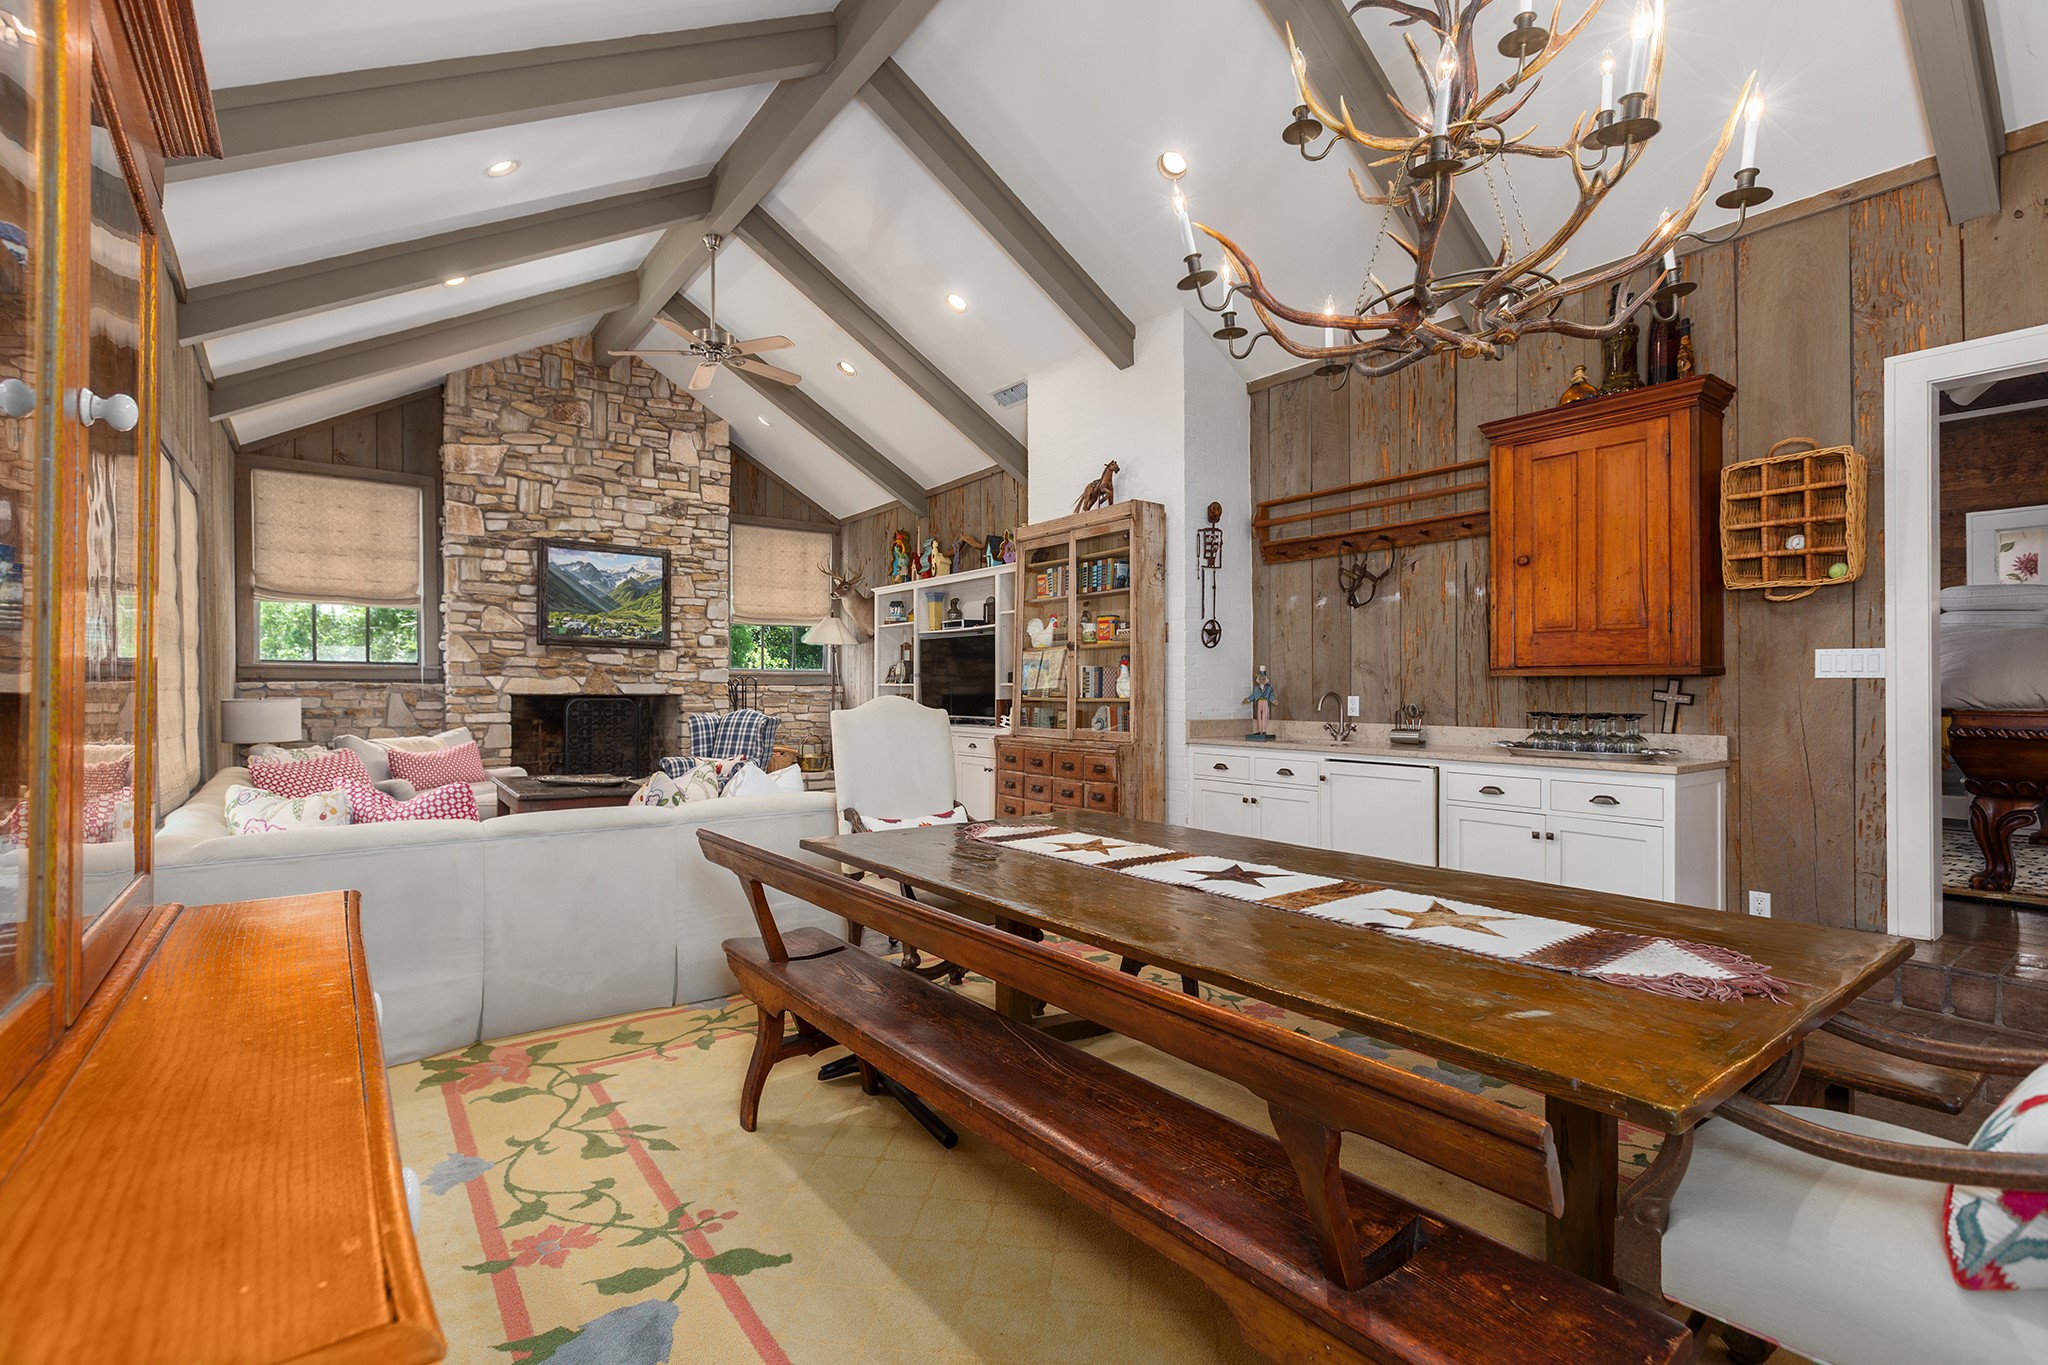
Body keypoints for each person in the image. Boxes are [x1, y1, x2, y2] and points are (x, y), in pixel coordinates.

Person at [1243, 665, 1276, 736]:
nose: (1262, 681)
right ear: (1258, 680)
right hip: (1259, 702)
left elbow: (1271, 695)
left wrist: (1273, 700)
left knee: (1265, 715)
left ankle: (1264, 730)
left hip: (1265, 702)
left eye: (1263, 679)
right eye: (1260, 679)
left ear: (1266, 680)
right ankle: (1259, 730)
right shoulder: (1256, 688)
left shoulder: (1269, 688)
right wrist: (1248, 699)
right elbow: (1253, 695)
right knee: (1259, 716)